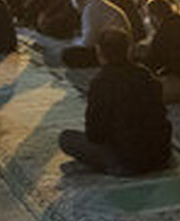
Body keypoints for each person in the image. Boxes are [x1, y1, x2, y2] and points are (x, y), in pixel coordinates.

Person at [58, 28, 172, 174]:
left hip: (126, 160)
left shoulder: (101, 82)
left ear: (100, 53)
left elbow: (94, 134)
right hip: (160, 156)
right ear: (129, 50)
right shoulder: (145, 75)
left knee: (66, 139)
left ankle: (111, 163)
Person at [61, 0, 132, 68]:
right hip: (119, 47)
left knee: (68, 54)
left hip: (114, 51)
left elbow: (88, 42)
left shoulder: (91, 8)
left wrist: (73, 42)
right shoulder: (97, 3)